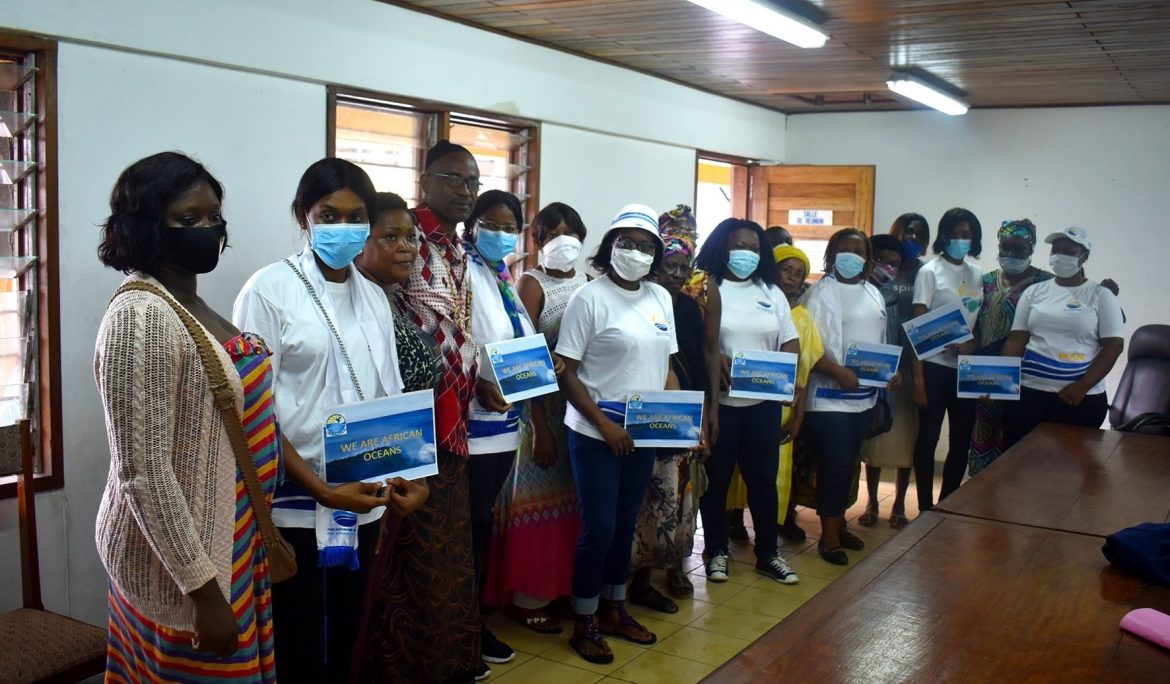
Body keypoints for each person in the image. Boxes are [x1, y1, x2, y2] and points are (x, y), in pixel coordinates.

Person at [95, 153, 403, 683]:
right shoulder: (141, 316)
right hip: (200, 553)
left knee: (320, 646)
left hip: (240, 531)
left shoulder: (189, 303)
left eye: (213, 216)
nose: (208, 229)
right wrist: (204, 592)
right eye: (188, 219)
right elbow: (142, 474)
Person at [232, 158, 428, 683]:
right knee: (296, 639)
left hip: (360, 496)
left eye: (355, 215)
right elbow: (254, 413)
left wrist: (412, 474)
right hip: (295, 502)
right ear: (304, 216)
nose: (343, 227)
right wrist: (318, 487)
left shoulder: (372, 295)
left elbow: (387, 393)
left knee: (346, 632)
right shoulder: (269, 290)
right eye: (329, 214)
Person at [352, 193, 479, 683]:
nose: (406, 248)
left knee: (431, 572)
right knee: (396, 581)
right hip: (388, 458)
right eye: (391, 237)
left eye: (411, 237)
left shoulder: (402, 301)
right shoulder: (360, 305)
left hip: (425, 453)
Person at [556, 203, 679, 664]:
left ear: (656, 253)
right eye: (626, 243)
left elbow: (665, 368)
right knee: (600, 528)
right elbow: (566, 373)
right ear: (609, 247)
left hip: (643, 431)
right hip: (595, 430)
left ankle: (615, 608)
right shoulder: (589, 299)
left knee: (626, 525)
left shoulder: (660, 298)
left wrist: (680, 419)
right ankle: (584, 620)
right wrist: (604, 425)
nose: (636, 252)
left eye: (646, 245)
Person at [393, 140, 489, 680]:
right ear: (425, 179)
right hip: (414, 415)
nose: (465, 191)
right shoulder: (406, 237)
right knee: (418, 550)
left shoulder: (455, 247)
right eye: (454, 179)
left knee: (450, 545)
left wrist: (479, 381)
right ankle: (417, 665)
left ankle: (450, 658)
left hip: (456, 411)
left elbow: (457, 329)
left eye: (472, 182)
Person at [487, 202, 588, 633]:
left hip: (580, 409)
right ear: (538, 242)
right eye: (553, 234)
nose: (564, 241)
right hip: (541, 411)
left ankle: (561, 589)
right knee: (539, 506)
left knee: (572, 505)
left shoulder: (592, 282)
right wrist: (540, 425)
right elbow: (521, 361)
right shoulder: (530, 283)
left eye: (572, 233)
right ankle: (529, 597)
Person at [697, 218, 801, 586]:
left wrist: (788, 375)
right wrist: (716, 359)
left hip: (763, 404)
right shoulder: (706, 287)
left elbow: (789, 340)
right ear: (723, 247)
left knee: (762, 481)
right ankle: (716, 551)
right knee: (717, 482)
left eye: (755, 248)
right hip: (721, 404)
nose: (747, 254)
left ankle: (768, 554)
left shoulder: (770, 291)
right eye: (740, 246)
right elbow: (699, 342)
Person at [462, 189, 540, 664]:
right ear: (472, 225)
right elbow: (458, 339)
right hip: (471, 422)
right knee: (469, 525)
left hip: (505, 421)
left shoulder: (501, 275)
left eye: (510, 227)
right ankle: (465, 629)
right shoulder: (460, 271)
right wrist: (475, 383)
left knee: (482, 523)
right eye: (491, 224)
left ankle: (473, 621)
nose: (501, 233)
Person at [628, 205, 710, 613]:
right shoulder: (644, 301)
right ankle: (636, 579)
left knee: (680, 497)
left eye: (684, 267)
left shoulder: (693, 309)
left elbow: (697, 363)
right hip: (645, 415)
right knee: (645, 500)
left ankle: (676, 566)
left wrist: (703, 420)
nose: (677, 274)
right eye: (670, 265)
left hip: (682, 416)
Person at [802, 228, 899, 565]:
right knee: (835, 465)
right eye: (845, 249)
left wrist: (890, 372)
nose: (852, 256)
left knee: (848, 466)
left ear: (868, 258)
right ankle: (827, 538)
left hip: (864, 397)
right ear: (832, 254)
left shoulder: (872, 292)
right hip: (828, 398)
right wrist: (837, 371)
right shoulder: (818, 295)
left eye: (859, 251)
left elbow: (878, 340)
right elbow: (806, 347)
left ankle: (840, 524)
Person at [1001, 227, 1124, 447]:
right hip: (1030, 395)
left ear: (1084, 256)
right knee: (1021, 468)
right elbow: (1016, 340)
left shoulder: (1100, 295)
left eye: (1069, 251)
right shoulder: (1034, 292)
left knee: (1071, 472)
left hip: (1079, 398)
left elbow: (1114, 345)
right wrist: (999, 382)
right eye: (1056, 250)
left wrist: (1084, 385)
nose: (1060, 256)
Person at [910, 208, 983, 510]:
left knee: (961, 442)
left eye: (966, 234)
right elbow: (916, 330)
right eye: (955, 233)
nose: (960, 239)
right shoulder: (929, 271)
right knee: (927, 440)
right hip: (934, 369)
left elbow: (977, 323)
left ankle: (947, 504)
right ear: (944, 236)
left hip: (965, 371)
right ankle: (925, 507)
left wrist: (971, 343)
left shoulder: (977, 273)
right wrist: (918, 381)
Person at [859, 234, 915, 529]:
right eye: (881, 260)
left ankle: (899, 504)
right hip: (866, 379)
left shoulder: (905, 294)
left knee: (905, 444)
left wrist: (907, 371)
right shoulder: (860, 291)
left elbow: (914, 335)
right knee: (874, 445)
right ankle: (870, 503)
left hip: (902, 377)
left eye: (894, 263)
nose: (887, 267)